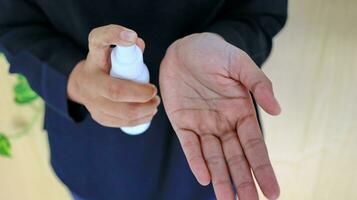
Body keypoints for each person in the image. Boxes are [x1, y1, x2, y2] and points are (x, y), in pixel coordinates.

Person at [0, 0, 287, 199]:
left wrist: (226, 42)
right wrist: (72, 78)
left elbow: (262, 10)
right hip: (92, 159)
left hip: (209, 140)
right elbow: (11, 23)